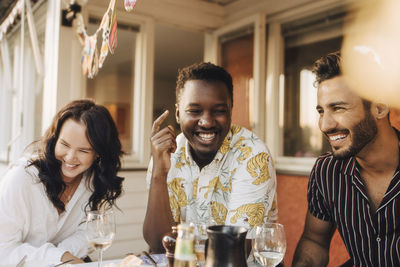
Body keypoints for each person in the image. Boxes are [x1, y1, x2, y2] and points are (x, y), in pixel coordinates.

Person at [143, 62, 277, 253]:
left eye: (219, 111)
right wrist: (159, 173)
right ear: (178, 113)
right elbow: (158, 244)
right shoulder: (166, 153)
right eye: (194, 111)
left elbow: (234, 253)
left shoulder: (253, 155)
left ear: (231, 110)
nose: (206, 122)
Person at [292, 52, 400, 267]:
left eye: (338, 108)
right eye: (321, 111)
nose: (325, 125)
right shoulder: (327, 170)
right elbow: (314, 241)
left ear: (379, 108)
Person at [0, 99, 124, 264]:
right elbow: (4, 250)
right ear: (54, 139)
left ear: (98, 154)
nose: (70, 157)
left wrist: (63, 257)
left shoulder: (93, 180)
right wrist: (60, 257)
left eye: (83, 150)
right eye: (64, 144)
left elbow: (85, 234)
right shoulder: (22, 179)